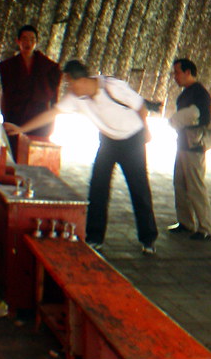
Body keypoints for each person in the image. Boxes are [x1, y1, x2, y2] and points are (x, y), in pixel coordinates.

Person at [9, 59, 159, 256]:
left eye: (70, 83)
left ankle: (148, 239)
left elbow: (141, 106)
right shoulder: (75, 96)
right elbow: (52, 113)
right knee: (98, 186)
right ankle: (95, 237)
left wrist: (146, 131)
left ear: (80, 80)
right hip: (108, 141)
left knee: (138, 188)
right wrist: (22, 129)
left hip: (132, 140)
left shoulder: (113, 87)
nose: (69, 88)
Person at [167, 58, 211, 241]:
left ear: (188, 72)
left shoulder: (200, 94)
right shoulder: (187, 93)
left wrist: (182, 120)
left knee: (196, 187)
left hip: (194, 146)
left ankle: (205, 227)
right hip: (183, 144)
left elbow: (204, 119)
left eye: (177, 72)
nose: (175, 76)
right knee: (179, 184)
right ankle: (185, 222)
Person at [0, 25, 62, 138]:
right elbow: (6, 94)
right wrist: (5, 116)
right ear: (18, 41)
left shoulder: (49, 67)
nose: (28, 42)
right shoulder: (8, 66)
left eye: (32, 39)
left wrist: (52, 122)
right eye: (25, 39)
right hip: (16, 116)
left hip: (39, 118)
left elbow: (54, 97)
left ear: (36, 43)